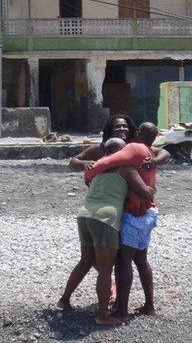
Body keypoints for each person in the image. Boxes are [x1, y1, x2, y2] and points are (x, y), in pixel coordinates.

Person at [58, 125, 159, 325]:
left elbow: (84, 172)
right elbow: (145, 192)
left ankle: (64, 299)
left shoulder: (95, 170)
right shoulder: (127, 169)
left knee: (85, 261)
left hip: (85, 216)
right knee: (108, 268)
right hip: (106, 220)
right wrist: (152, 187)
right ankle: (104, 315)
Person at [84, 123, 167, 318]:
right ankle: (149, 306)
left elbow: (109, 163)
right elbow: (164, 154)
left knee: (124, 261)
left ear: (137, 133)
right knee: (140, 259)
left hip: (137, 213)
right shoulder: (147, 151)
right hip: (147, 213)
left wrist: (88, 172)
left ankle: (122, 309)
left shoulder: (133, 150)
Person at [68, 114, 136, 171]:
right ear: (110, 130)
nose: (122, 129)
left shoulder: (134, 147)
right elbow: (72, 162)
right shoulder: (99, 149)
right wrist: (83, 163)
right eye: (117, 126)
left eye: (125, 126)